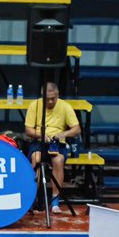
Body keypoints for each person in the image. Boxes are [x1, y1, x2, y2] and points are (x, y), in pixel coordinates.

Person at [24, 82, 80, 213]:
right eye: (47, 98)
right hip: (38, 140)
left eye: (53, 98)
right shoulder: (34, 105)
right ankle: (31, 199)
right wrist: (41, 135)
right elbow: (28, 130)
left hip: (57, 143)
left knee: (58, 161)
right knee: (36, 159)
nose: (50, 101)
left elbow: (76, 129)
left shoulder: (65, 106)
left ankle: (55, 200)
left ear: (58, 95)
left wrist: (63, 134)